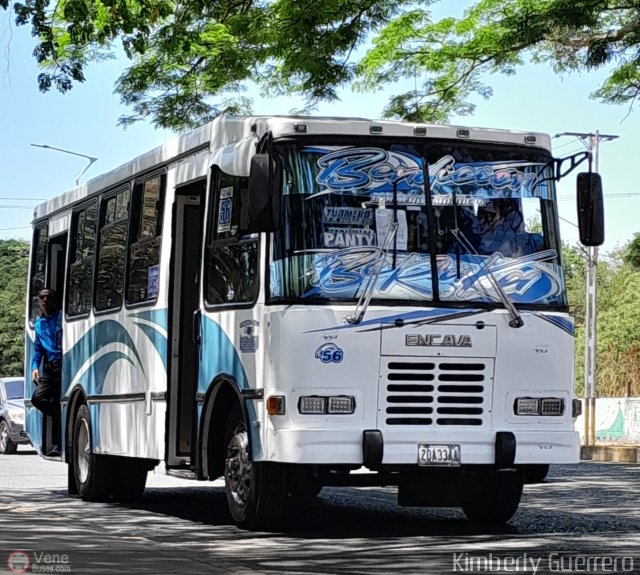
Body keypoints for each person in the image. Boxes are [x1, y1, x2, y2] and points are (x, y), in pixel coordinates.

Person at [31, 287, 62, 455]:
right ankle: (59, 414)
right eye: (42, 298)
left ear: (55, 300)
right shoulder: (39, 324)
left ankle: (58, 443)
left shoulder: (61, 318)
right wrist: (35, 366)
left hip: (64, 365)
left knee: (60, 399)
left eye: (48, 297)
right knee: (37, 399)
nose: (45, 300)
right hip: (50, 368)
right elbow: (38, 349)